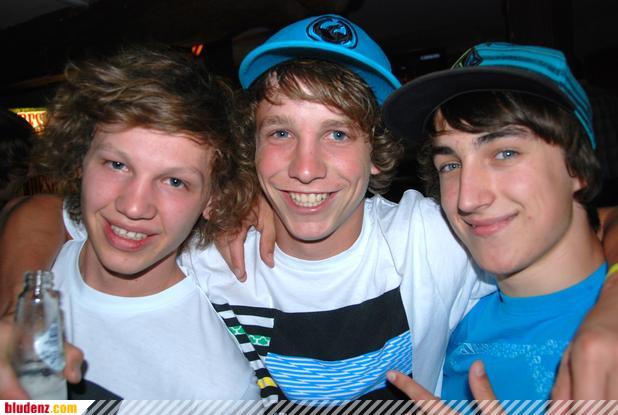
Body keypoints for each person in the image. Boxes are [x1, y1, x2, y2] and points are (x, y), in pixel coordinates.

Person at [2, 15, 618, 407]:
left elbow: (589, 222)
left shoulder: (436, 234)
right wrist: (18, 312)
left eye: (337, 134)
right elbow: (40, 213)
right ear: (248, 149)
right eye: (279, 133)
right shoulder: (195, 230)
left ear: (379, 154)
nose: (304, 168)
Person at [2, 44, 260, 401]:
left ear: (213, 199)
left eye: (175, 181)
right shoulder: (30, 264)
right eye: (117, 165)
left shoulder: (217, 391)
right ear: (80, 160)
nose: (134, 206)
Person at [382, 42, 615, 403]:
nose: (467, 199)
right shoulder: (452, 309)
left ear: (577, 166)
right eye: (451, 164)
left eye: (505, 153)